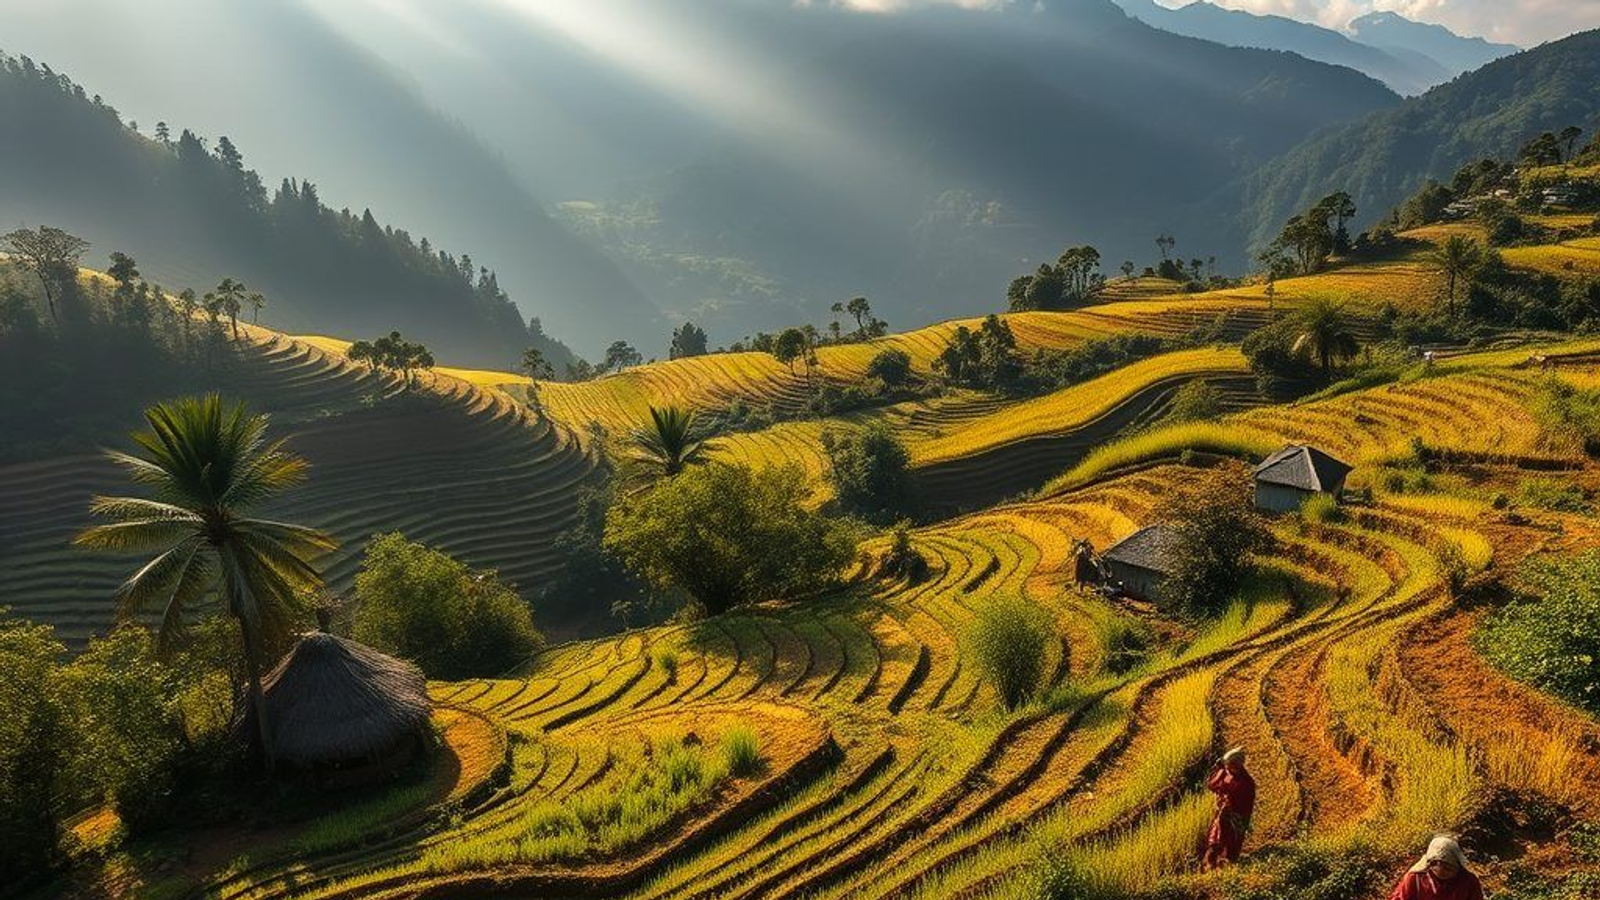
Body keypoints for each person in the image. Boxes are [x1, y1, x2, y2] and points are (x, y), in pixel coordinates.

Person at [1201, 746, 1256, 869]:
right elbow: (1211, 786)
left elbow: (1240, 802)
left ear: (1237, 765)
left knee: (1231, 848)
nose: (1227, 767)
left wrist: (1225, 798)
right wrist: (1218, 771)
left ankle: (1227, 871)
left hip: (1236, 819)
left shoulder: (1246, 782)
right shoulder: (1226, 773)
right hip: (1223, 815)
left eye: (1229, 765)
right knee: (1214, 842)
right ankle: (1209, 867)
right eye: (1226, 765)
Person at [1388, 836, 1484, 900]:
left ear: (1457, 865)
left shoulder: (1468, 880)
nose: (1442, 871)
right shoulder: (1415, 878)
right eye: (1436, 865)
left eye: (1448, 868)